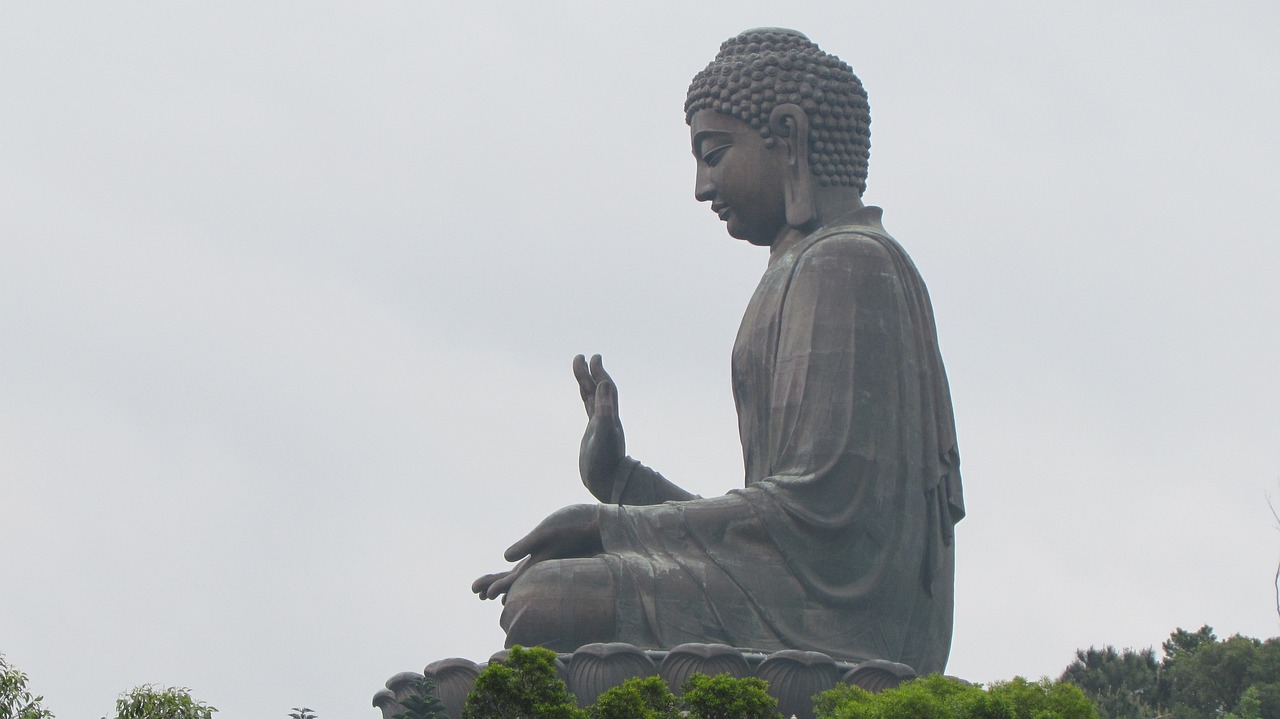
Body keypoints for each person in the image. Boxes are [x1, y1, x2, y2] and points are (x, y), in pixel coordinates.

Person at [472, 28, 964, 675]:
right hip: (791, 585)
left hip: (845, 620)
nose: (703, 186)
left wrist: (612, 525)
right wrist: (620, 483)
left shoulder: (847, 265)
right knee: (552, 592)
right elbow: (772, 525)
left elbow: (818, 527)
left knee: (545, 600)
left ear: (787, 136)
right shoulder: (799, 271)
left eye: (714, 153)